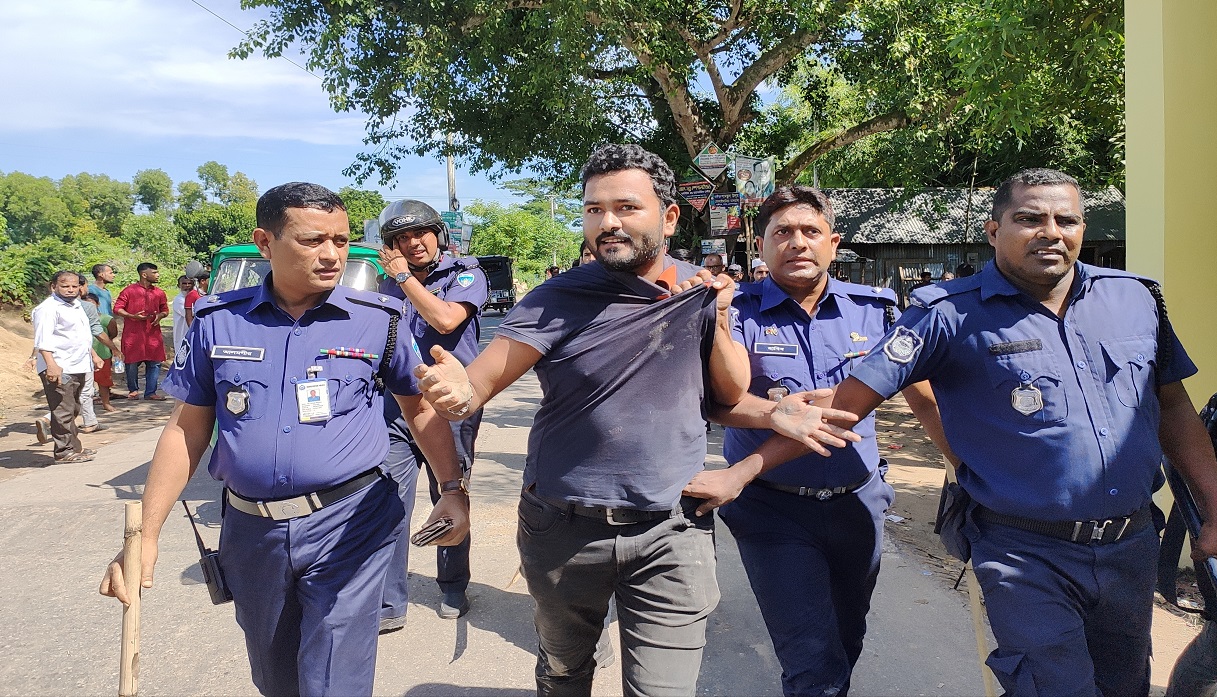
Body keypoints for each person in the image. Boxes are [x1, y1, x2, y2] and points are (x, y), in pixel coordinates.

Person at [726, 168, 1217, 696]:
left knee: (1125, 685)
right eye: (1028, 219)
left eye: (1066, 220)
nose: (1049, 231)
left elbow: (1175, 409)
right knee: (1051, 686)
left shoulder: (1136, 299)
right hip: (1019, 548)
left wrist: (1213, 511)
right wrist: (746, 465)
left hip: (1129, 543)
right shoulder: (944, 313)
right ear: (992, 230)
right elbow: (842, 402)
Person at [99, 182, 470, 697]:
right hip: (252, 533)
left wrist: (452, 489)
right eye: (313, 240)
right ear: (265, 243)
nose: (332, 254)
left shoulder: (378, 321)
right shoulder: (217, 322)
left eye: (340, 241)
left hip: (351, 522)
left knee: (334, 679)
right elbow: (186, 430)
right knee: (276, 675)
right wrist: (147, 536)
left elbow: (420, 409)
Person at [414, 143, 750, 696]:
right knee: (566, 673)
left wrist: (718, 315)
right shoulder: (558, 297)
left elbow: (733, 391)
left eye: (625, 207)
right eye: (594, 209)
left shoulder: (700, 290)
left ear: (668, 216)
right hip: (563, 528)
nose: (607, 223)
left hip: (673, 526)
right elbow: (480, 382)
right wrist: (456, 390)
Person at [684, 187, 949, 696]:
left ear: (833, 243)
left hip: (859, 504)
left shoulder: (877, 310)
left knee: (847, 639)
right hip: (772, 511)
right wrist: (780, 415)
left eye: (810, 232)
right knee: (811, 659)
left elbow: (925, 399)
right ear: (759, 245)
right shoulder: (732, 312)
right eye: (782, 232)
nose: (797, 242)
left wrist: (967, 470)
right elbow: (714, 403)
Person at [375, 198, 489, 625]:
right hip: (395, 407)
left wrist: (402, 277)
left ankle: (453, 586)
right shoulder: (382, 285)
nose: (412, 243)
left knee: (450, 492)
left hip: (449, 407)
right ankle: (388, 600)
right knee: (387, 499)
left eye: (419, 233)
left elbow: (444, 320)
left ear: (437, 234)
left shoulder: (465, 274)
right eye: (400, 238)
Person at [32, 271, 101, 463]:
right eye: (65, 286)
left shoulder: (77, 305)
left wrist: (93, 355)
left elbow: (81, 336)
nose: (70, 289)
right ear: (53, 287)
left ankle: (74, 447)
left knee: (73, 407)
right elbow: (43, 341)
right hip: (60, 366)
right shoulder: (47, 309)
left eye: (74, 286)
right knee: (62, 409)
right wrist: (52, 366)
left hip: (78, 364)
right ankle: (64, 452)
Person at [114, 262, 169, 400]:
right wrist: (132, 316)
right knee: (131, 363)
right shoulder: (129, 291)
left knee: (155, 363)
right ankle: (133, 390)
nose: (157, 275)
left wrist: (160, 316)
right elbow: (117, 308)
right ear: (144, 274)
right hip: (133, 334)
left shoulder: (159, 292)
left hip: (153, 334)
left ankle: (151, 392)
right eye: (154, 272)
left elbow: (165, 310)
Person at [85, 292, 120, 413]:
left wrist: (113, 348)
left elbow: (112, 334)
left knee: (104, 381)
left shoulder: (106, 319)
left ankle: (106, 403)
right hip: (84, 354)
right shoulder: (79, 319)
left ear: (98, 304)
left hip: (103, 353)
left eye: (91, 304)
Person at [171, 275, 195, 359]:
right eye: (184, 283)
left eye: (190, 283)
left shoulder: (195, 297)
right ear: (179, 285)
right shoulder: (179, 300)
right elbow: (192, 313)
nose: (187, 286)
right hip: (182, 334)